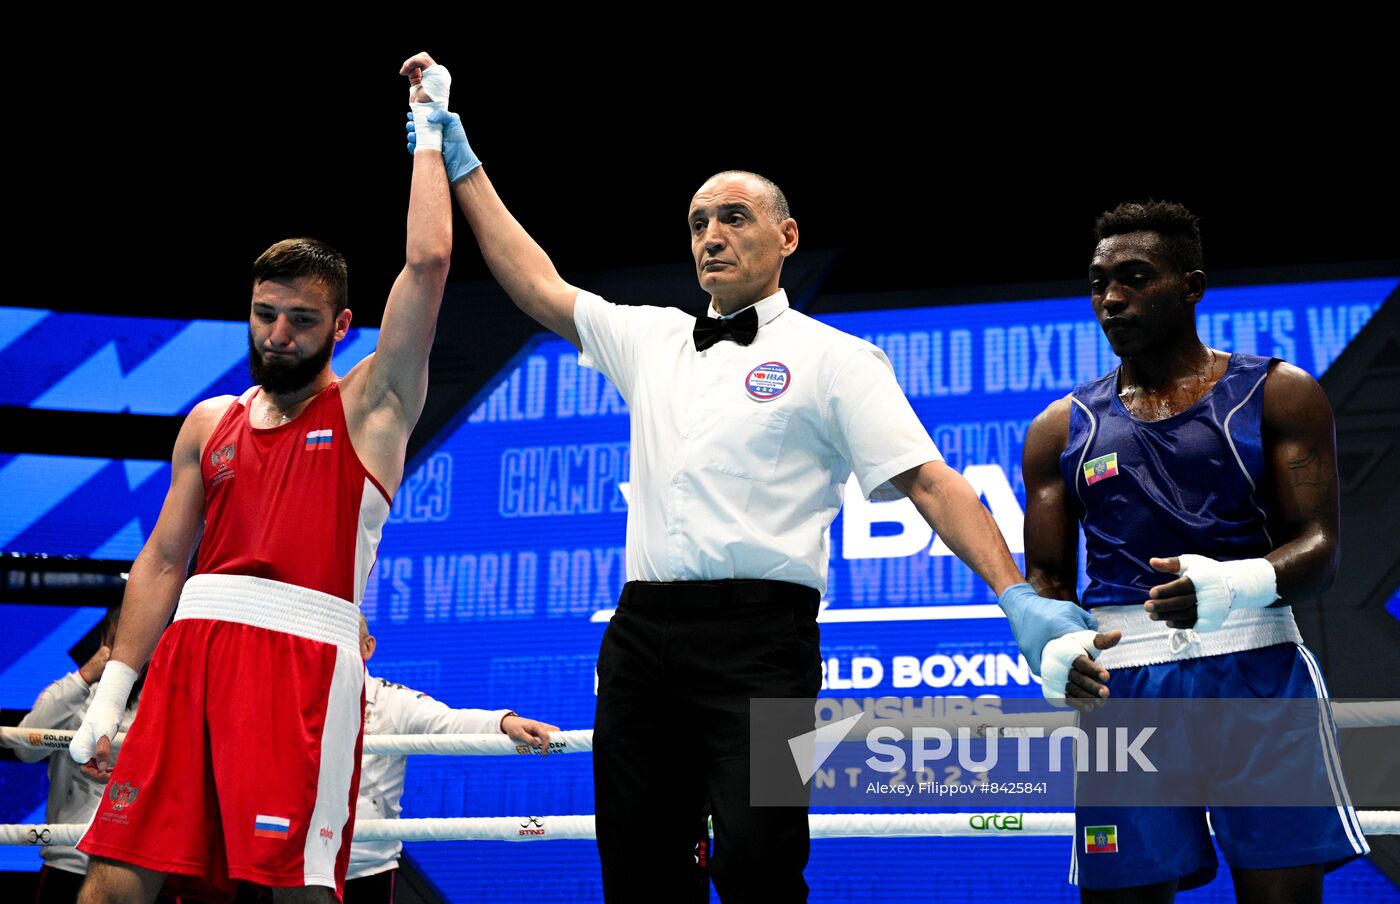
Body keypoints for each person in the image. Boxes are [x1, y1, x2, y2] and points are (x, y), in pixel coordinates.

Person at [397, 51, 1102, 903]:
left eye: (733, 217)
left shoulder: (836, 359)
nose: (711, 237)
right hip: (642, 639)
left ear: (786, 237)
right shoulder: (651, 338)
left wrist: (1013, 594)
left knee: (761, 867)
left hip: (763, 644)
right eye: (698, 223)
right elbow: (536, 283)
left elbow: (931, 483)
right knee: (639, 871)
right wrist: (457, 152)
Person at [69, 58, 455, 904]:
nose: (278, 334)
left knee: (294, 892)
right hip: (187, 664)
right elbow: (166, 561)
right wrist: (117, 689)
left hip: (303, 668)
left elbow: (426, 267)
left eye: (303, 319)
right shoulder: (210, 424)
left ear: (343, 326)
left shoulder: (370, 409)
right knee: (110, 884)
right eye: (264, 313)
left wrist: (430, 131)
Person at [1022, 200, 1369, 902]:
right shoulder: (1060, 428)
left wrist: (1239, 581)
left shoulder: (1279, 393)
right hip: (1126, 689)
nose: (1112, 299)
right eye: (1098, 283)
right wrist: (1052, 650)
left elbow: (1323, 550)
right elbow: (1049, 578)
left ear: (1191, 285)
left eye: (1136, 277)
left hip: (1258, 674)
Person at [345, 613, 557, 904]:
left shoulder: (392, 702)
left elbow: (449, 722)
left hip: (365, 865)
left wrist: (503, 722)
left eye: (342, 640)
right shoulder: (293, 700)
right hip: (296, 860)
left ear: (367, 647)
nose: (332, 651)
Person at [14, 609, 152, 904]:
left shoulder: (162, 704)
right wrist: (85, 675)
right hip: (67, 858)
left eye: (139, 643)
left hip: (133, 865)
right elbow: (25, 749)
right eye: (119, 641)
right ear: (105, 639)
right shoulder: (71, 692)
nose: (128, 653)